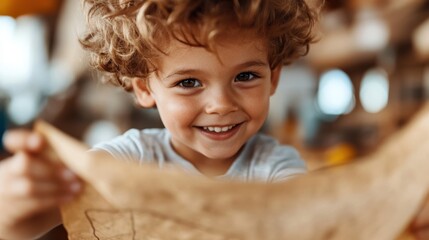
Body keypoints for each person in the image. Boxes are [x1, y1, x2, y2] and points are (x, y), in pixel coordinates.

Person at [1, 0, 429, 239]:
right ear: (145, 88)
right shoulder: (123, 161)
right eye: (189, 83)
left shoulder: (275, 169)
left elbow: (310, 222)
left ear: (274, 76)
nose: (221, 104)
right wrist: (18, 198)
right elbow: (20, 226)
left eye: (245, 76)